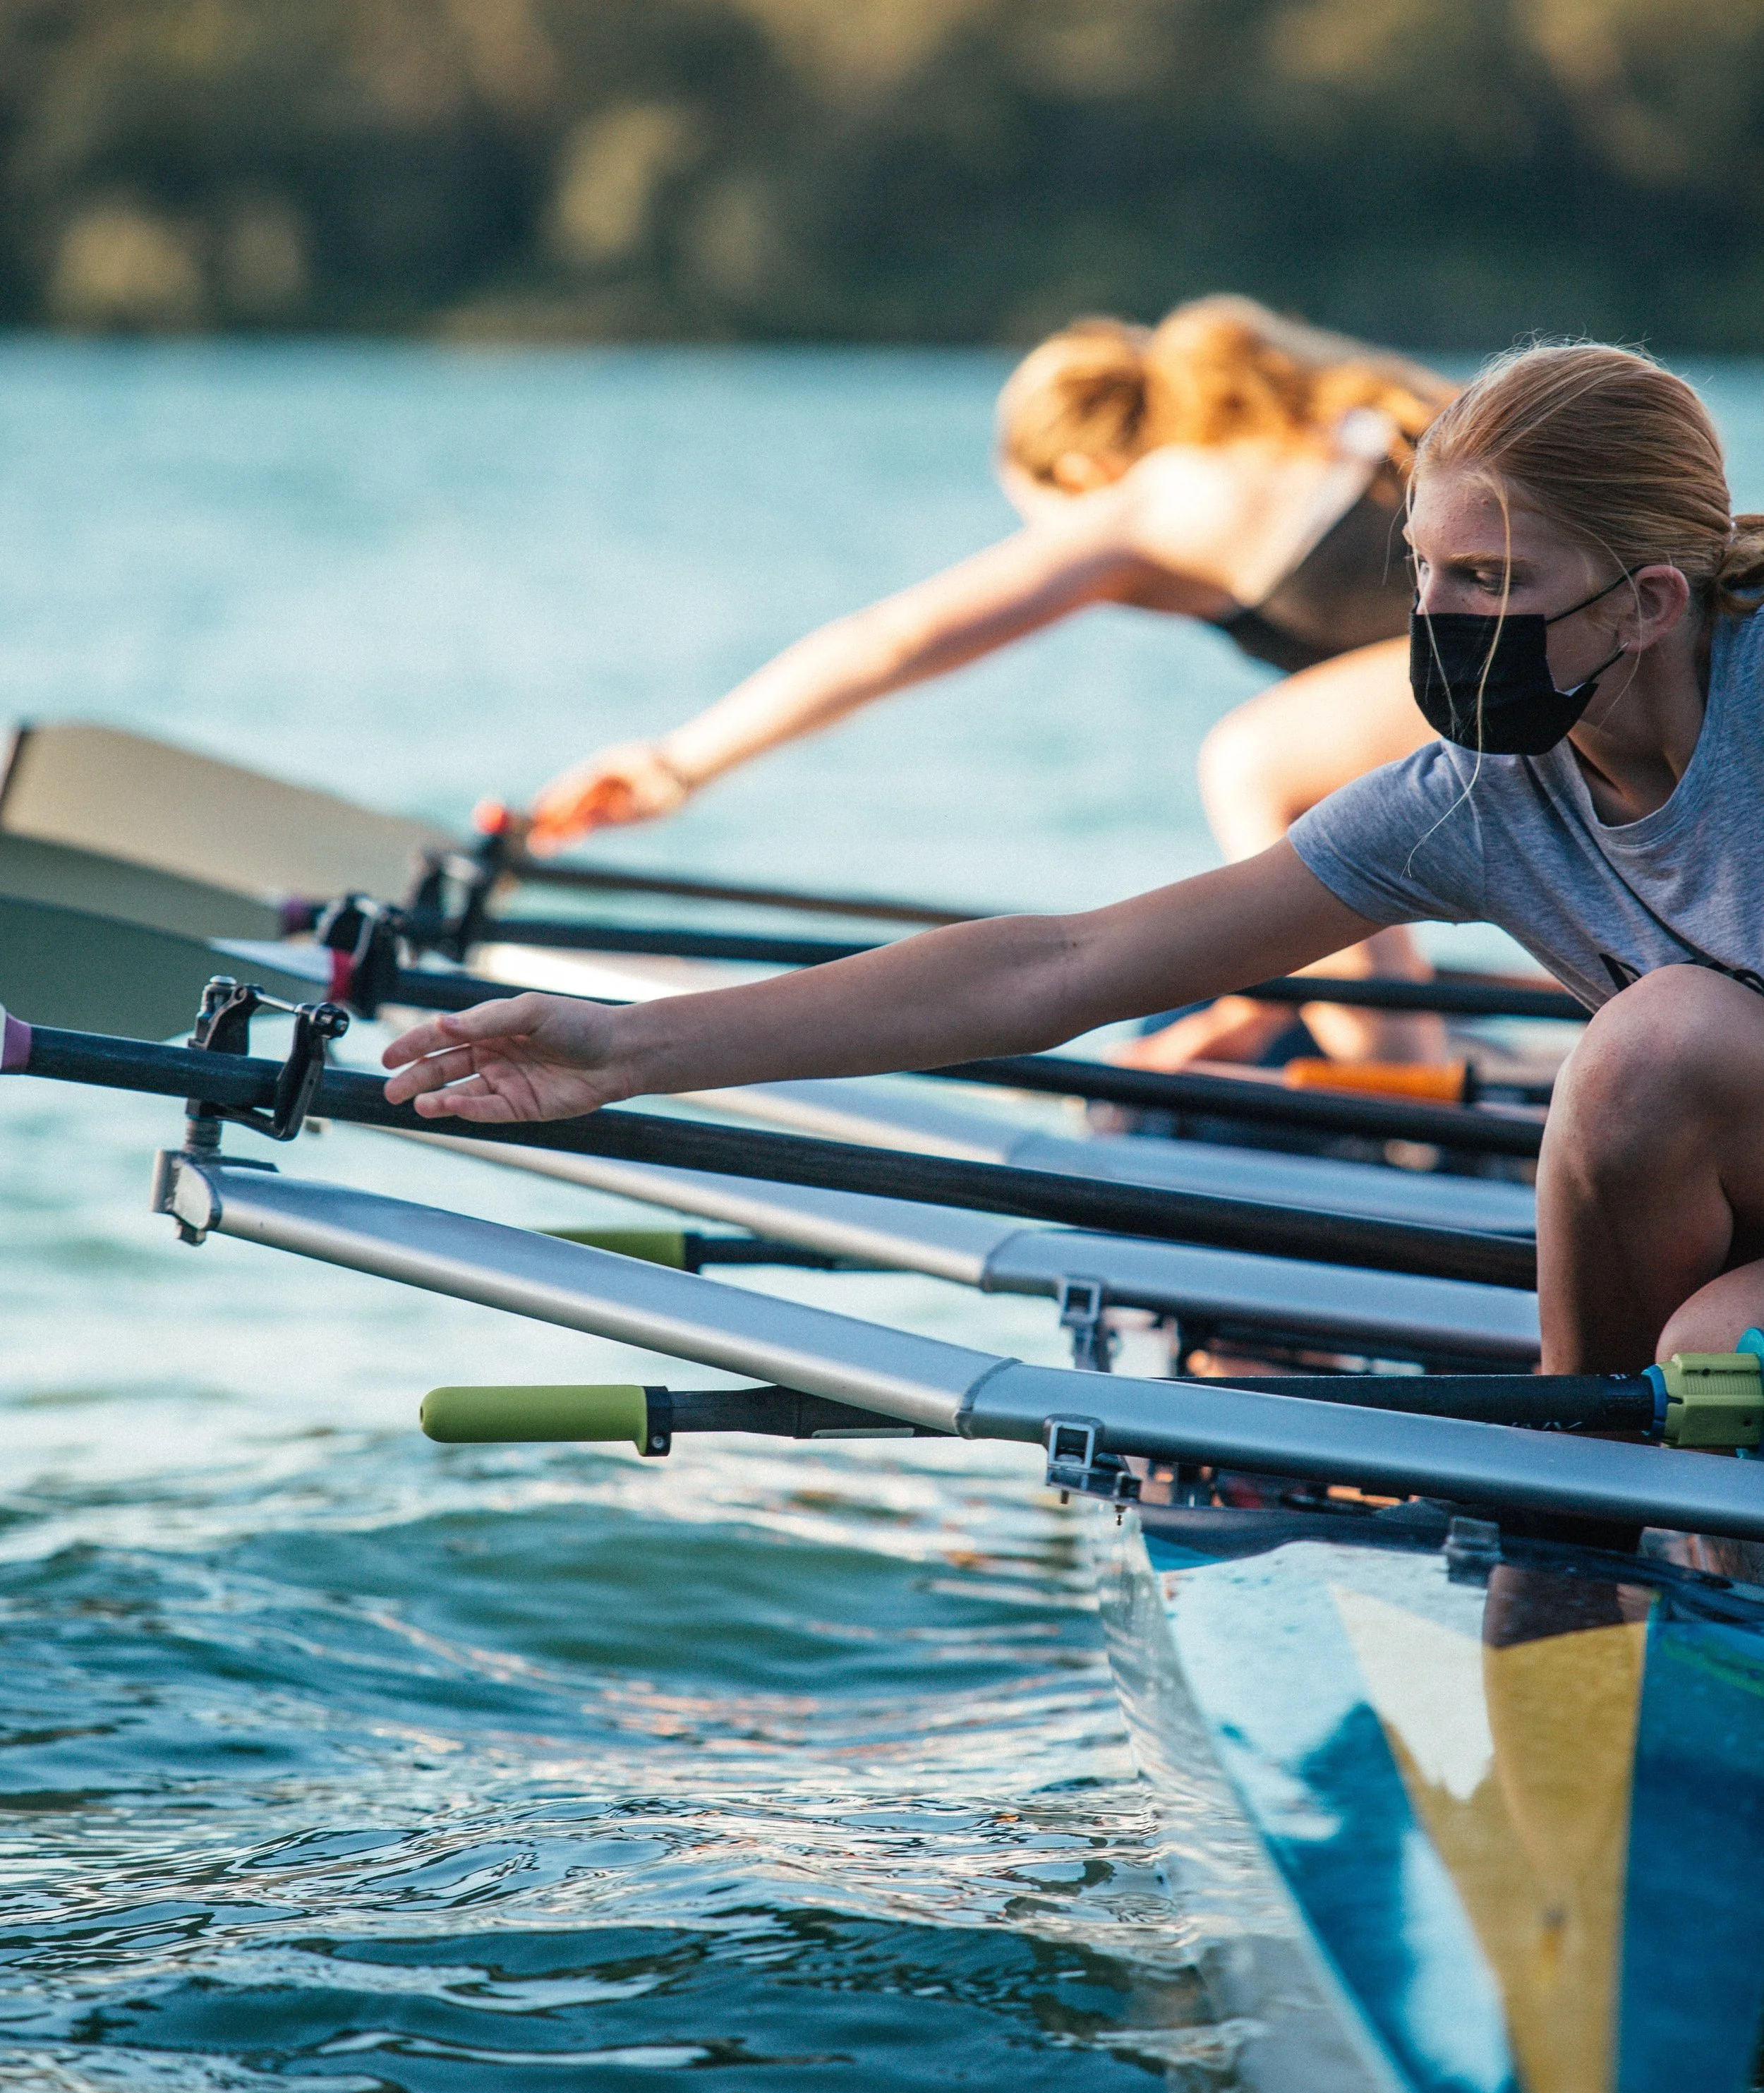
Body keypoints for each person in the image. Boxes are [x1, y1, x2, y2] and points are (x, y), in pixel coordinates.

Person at [391, 340, 1764, 1379]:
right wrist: (628, 1048)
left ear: (1647, 604)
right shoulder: (1473, 799)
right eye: (1421, 571)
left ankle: (1590, 1482)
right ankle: (1597, 1495)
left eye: (1490, 582)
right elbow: (1059, 964)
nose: (1434, 619)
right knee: (1701, 1335)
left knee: (1661, 1055)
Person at [522, 297, 1458, 1068]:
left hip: (1517, 662)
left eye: (1042, 521)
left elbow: (895, 639)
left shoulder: (1152, 498)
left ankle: (1398, 1086)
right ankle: (1385, 1046)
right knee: (1316, 784)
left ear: (1083, 473)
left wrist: (679, 763)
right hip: (1536, 648)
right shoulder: (1310, 429)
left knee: (1253, 761)